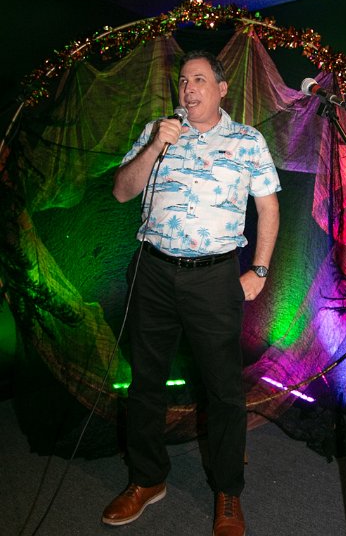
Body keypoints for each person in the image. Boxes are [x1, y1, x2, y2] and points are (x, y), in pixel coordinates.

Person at [102, 50, 280, 535]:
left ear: (221, 89)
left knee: (222, 389)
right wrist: (154, 147)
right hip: (154, 272)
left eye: (199, 79)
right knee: (145, 382)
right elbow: (121, 191)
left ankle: (227, 491)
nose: (188, 88)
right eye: (183, 80)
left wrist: (260, 269)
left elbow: (268, 208)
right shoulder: (158, 131)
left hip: (214, 278)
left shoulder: (247, 141)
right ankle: (146, 479)